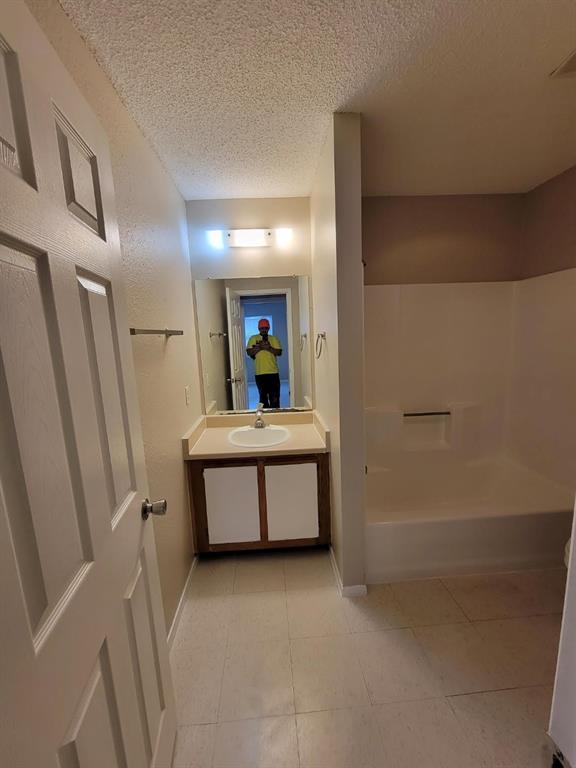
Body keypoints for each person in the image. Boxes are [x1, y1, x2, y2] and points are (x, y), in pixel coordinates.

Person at [246, 318, 282, 408]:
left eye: (266, 328)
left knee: (275, 398)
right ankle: (263, 415)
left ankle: (275, 415)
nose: (264, 330)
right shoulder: (253, 338)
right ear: (259, 328)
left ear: (268, 328)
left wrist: (269, 348)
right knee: (263, 399)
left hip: (273, 372)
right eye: (262, 328)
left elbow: (279, 352)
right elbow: (249, 352)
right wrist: (260, 347)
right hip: (260, 373)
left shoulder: (274, 339)